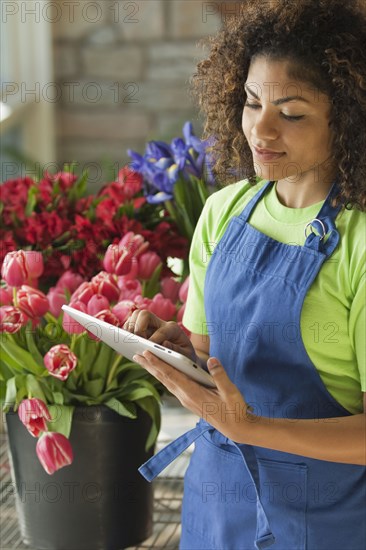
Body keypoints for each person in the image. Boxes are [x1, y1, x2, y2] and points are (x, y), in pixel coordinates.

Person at [125, 1, 366, 548]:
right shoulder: (225, 212)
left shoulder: (359, 246)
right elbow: (214, 357)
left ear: (347, 118)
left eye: (293, 112)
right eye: (253, 102)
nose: (261, 127)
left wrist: (252, 428)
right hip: (218, 497)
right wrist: (172, 351)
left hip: (324, 520)